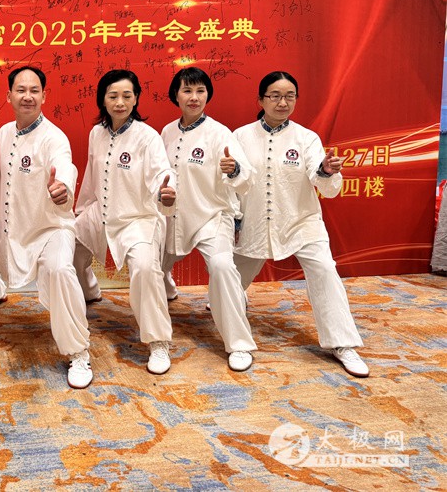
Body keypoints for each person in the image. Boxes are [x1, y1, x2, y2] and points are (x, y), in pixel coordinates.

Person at [233, 71, 368, 377]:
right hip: (254, 221)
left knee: (325, 269)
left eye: (289, 96)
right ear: (260, 100)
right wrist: (235, 218)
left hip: (301, 222)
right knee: (228, 283)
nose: (283, 102)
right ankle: (237, 340)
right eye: (275, 96)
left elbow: (324, 184)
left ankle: (342, 344)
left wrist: (326, 170)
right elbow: (233, 182)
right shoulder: (240, 136)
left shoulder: (307, 138)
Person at [0, 65, 92, 388]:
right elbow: (1, 180)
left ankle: (78, 352)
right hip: (14, 227)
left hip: (51, 229)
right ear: (8, 96)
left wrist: (63, 188)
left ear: (44, 96)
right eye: (21, 90)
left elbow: (65, 166)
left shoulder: (54, 137)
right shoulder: (4, 133)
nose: (27, 96)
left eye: (34, 90)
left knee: (60, 270)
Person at [72, 69, 178, 375]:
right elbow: (91, 176)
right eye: (113, 96)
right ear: (103, 100)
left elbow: (162, 175)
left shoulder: (147, 136)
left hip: (138, 217)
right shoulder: (96, 133)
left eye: (126, 96)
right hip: (100, 211)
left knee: (144, 268)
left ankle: (158, 342)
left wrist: (166, 192)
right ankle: (89, 290)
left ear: (136, 99)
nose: (120, 103)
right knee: (65, 248)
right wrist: (81, 211)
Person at [160, 68, 258, 372]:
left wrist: (233, 169)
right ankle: (167, 288)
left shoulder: (220, 133)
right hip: (172, 217)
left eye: (200, 91)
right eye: (187, 91)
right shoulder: (166, 132)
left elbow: (247, 177)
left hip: (211, 216)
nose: (194, 97)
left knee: (222, 266)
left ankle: (239, 343)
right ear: (176, 95)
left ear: (208, 95)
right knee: (151, 266)